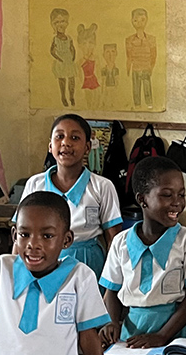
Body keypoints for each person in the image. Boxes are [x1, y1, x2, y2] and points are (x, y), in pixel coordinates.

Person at [0, 191, 149, 355]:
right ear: (14, 235)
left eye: (47, 236)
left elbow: (89, 340)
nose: (33, 245)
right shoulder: (2, 269)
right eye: (25, 234)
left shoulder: (79, 277)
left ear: (66, 240)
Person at [99, 157, 186, 347]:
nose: (177, 203)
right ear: (142, 199)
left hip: (175, 332)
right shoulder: (121, 243)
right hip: (131, 332)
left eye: (181, 195)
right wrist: (112, 321)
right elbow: (112, 292)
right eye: (167, 195)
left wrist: (162, 336)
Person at [23, 113, 123, 276]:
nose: (66, 143)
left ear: (87, 147)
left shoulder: (102, 186)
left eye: (75, 138)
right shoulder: (35, 184)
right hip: (43, 260)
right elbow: (22, 233)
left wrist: (112, 280)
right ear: (50, 146)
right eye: (59, 136)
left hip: (89, 263)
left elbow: (114, 239)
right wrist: (15, 271)